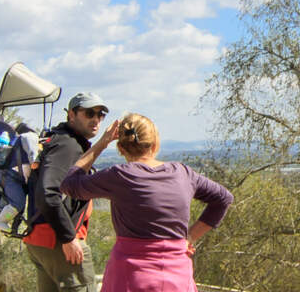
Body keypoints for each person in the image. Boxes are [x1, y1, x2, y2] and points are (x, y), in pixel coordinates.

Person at [60, 113, 234, 292]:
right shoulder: (183, 174)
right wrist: (189, 238)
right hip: (176, 277)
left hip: (128, 277)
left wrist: (102, 142)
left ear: (120, 148)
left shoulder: (119, 176)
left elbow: (68, 184)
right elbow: (223, 198)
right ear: (155, 144)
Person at [23, 92, 109, 292]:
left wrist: (103, 143)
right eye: (89, 113)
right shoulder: (68, 145)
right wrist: (68, 238)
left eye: (100, 115)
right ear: (72, 114)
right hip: (59, 242)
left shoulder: (62, 139)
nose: (96, 120)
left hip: (40, 240)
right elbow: (48, 193)